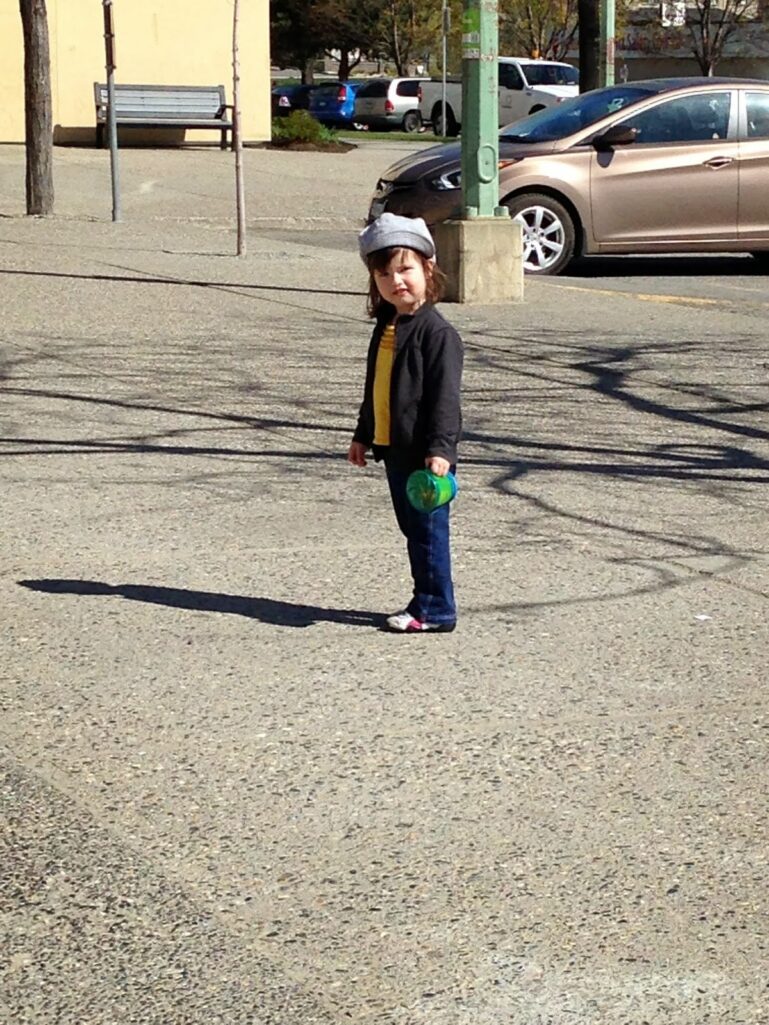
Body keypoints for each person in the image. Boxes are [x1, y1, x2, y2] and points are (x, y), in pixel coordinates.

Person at [348, 213, 463, 633]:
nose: (395, 281)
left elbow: (445, 399)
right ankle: (425, 600)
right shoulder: (387, 326)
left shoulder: (438, 334)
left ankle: (435, 609)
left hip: (424, 454)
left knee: (428, 532)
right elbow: (376, 388)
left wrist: (441, 449)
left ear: (427, 269)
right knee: (413, 530)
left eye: (405, 269)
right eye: (384, 274)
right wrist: (363, 434)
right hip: (394, 447)